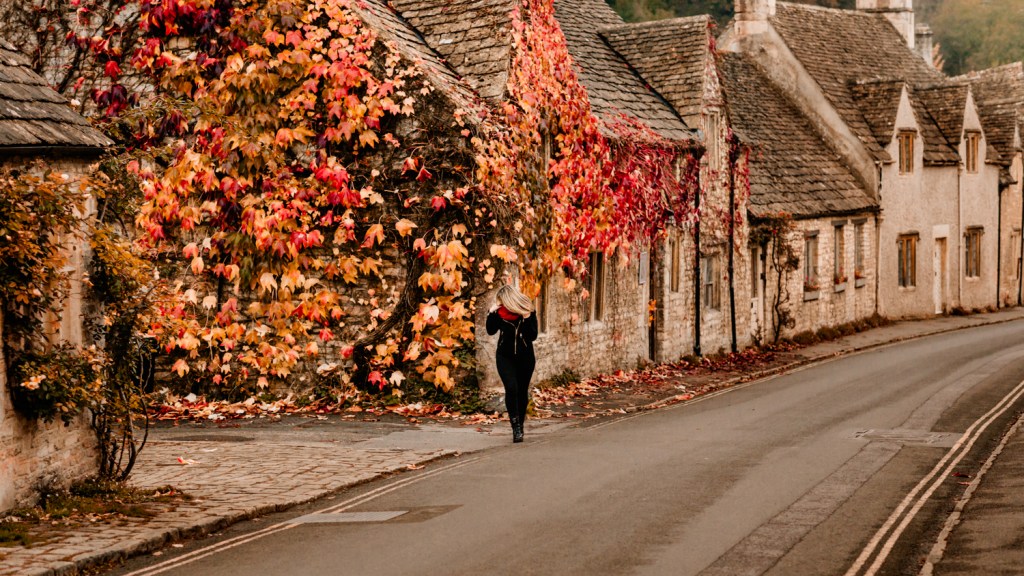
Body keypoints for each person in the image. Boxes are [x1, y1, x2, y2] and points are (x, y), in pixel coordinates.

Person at [486, 284, 538, 443]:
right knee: (511, 387)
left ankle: (520, 427)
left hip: (525, 358)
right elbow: (490, 330)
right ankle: (515, 426)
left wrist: (527, 318)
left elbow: (533, 336)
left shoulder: (528, 311)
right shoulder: (499, 313)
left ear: (510, 300)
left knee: (522, 391)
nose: (500, 303)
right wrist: (491, 312)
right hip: (505, 357)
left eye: (502, 301)